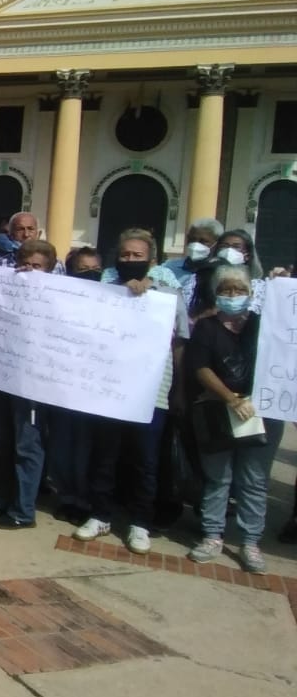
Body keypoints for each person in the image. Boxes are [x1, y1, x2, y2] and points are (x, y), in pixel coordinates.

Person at [73, 229, 188, 554]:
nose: (130, 260)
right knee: (105, 456)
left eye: (137, 256)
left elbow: (180, 342)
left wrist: (178, 388)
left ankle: (140, 522)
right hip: (109, 388)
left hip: (153, 391)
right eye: (125, 255)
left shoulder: (168, 294)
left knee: (146, 460)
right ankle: (100, 514)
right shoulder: (105, 290)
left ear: (151, 260)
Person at [183, 265, 284, 572]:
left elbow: (280, 358)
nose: (233, 296)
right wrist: (229, 397)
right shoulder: (206, 327)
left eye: (239, 290)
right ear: (217, 294)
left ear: (251, 294)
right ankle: (212, 535)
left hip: (261, 412)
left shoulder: (263, 325)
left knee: (254, 481)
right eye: (226, 290)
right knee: (218, 478)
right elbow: (200, 366)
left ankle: (250, 542)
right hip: (218, 411)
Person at [0, 239, 59, 530]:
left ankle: (23, 510)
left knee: (28, 445)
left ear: (48, 269)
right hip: (1, 377)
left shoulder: (59, 298)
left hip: (33, 384)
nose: (29, 270)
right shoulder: (5, 291)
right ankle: (0, 499)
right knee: (1, 442)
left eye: (36, 266)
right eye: (24, 264)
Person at [45, 247, 105, 525]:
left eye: (95, 269)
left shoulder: (112, 299)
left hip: (94, 388)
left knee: (86, 448)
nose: (90, 274)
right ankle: (66, 495)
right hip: (60, 385)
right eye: (83, 270)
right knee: (60, 445)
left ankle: (84, 498)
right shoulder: (57, 298)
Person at [161, 218, 223, 309]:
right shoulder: (168, 267)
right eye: (192, 240)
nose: (195, 244)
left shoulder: (221, 271)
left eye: (203, 241)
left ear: (217, 244)